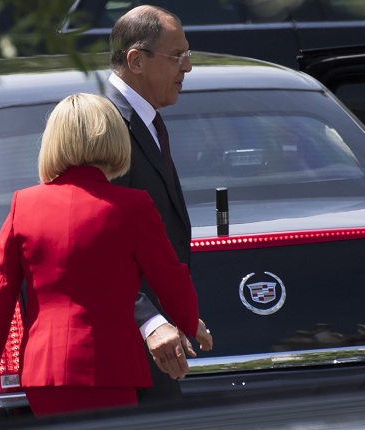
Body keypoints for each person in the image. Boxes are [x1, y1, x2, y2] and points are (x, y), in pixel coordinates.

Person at [0, 93, 212, 421]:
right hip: (110, 369)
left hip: (45, 372)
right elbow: (169, 275)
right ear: (114, 139)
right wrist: (190, 321)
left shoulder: (24, 204)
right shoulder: (133, 206)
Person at [103, 5, 208, 401]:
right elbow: (99, 241)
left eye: (188, 54)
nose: (188, 67)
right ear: (136, 61)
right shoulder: (106, 124)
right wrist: (148, 320)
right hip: (127, 347)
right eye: (177, 56)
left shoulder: (147, 119)